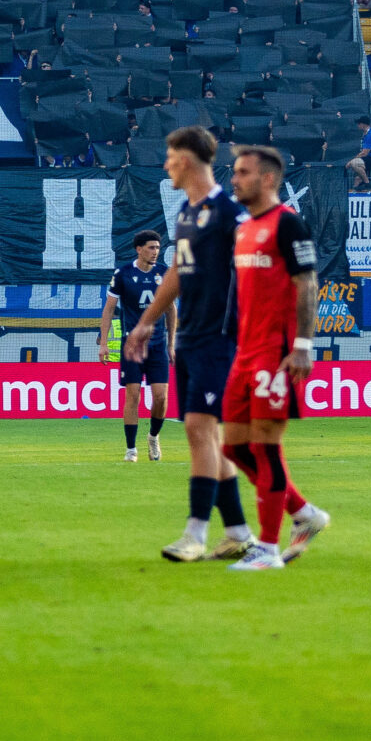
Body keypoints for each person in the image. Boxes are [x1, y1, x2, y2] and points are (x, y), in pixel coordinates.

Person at [125, 127, 257, 563]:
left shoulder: (228, 214)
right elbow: (177, 275)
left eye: (169, 157)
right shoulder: (186, 213)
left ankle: (195, 535)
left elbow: (262, 273)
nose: (166, 165)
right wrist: (145, 324)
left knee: (201, 430)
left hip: (221, 337)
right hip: (191, 337)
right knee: (206, 434)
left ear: (185, 159)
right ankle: (237, 531)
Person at [215, 147, 336, 571]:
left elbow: (307, 283)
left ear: (267, 179)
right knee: (231, 446)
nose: (234, 180)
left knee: (266, 448)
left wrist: (303, 345)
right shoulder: (245, 229)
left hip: (277, 352)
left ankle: (267, 551)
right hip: (244, 353)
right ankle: (304, 513)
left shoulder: (288, 223)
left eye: (243, 173)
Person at [101, 230, 170, 461]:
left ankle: (153, 437)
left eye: (158, 248)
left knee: (160, 397)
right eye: (151, 247)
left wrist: (172, 342)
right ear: (138, 249)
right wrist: (103, 342)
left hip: (158, 344)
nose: (155, 252)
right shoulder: (123, 273)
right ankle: (131, 449)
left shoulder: (164, 273)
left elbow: (171, 308)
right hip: (132, 345)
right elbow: (109, 308)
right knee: (133, 394)